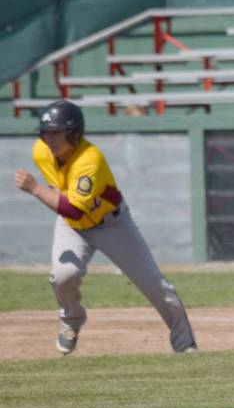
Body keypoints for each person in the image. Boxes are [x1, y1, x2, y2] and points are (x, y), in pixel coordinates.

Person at [13, 100, 198, 354]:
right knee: (63, 275)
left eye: (57, 132)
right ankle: (72, 318)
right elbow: (64, 198)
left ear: (73, 132)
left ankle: (185, 344)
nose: (50, 138)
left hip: (111, 224)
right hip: (72, 226)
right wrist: (48, 190)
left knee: (155, 285)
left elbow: (74, 208)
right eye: (46, 132)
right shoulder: (41, 151)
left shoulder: (90, 158)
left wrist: (35, 189)